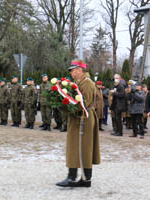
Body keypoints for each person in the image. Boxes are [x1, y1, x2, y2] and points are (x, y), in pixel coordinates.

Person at [56, 60, 100, 188]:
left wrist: (65, 106)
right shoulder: (79, 83)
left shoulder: (86, 83)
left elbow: (83, 103)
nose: (71, 72)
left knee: (82, 147)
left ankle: (75, 178)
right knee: (77, 147)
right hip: (78, 118)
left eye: (73, 70)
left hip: (83, 118)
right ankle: (82, 178)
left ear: (80, 70)